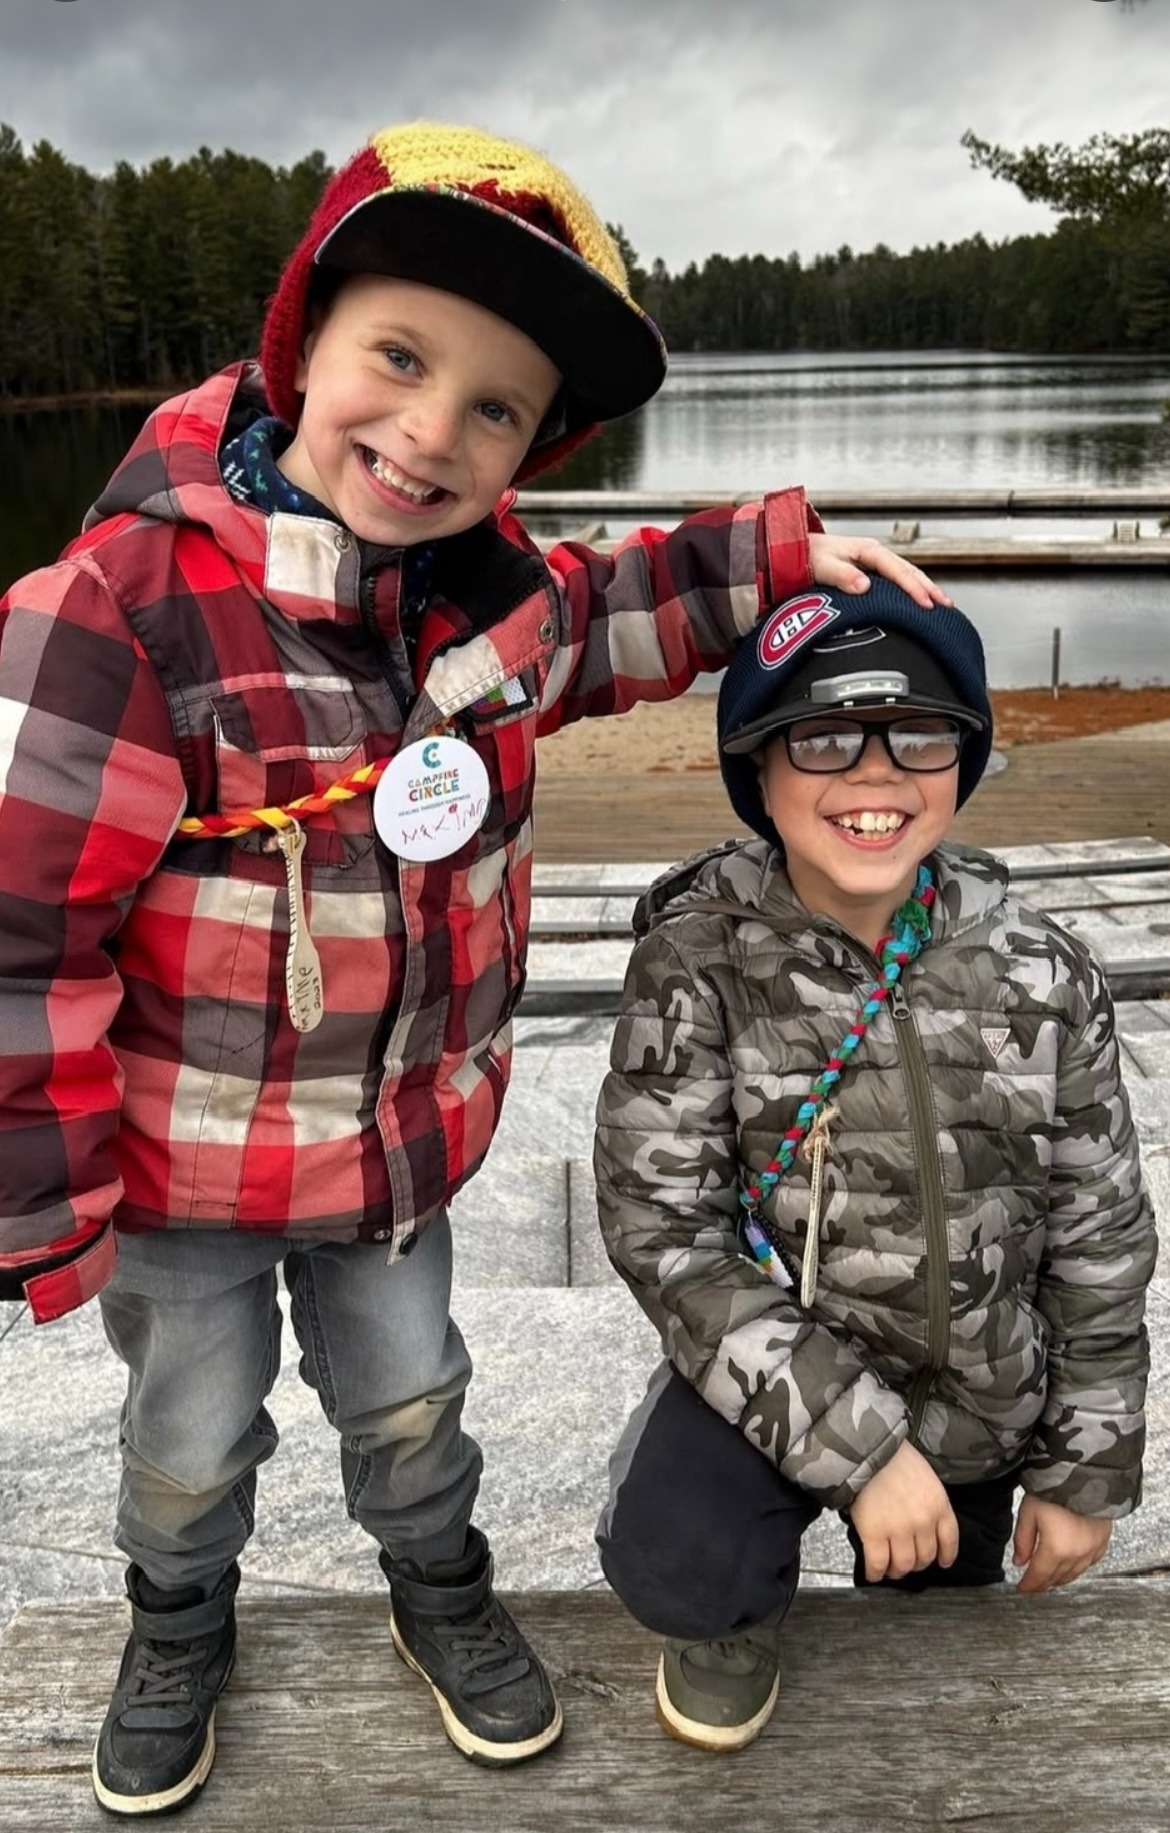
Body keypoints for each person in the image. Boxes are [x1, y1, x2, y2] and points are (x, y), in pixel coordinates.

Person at [0, 122, 946, 1815]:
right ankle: (178, 1613)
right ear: (304, 341)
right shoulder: (117, 610)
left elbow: (623, 605)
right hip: (179, 1174)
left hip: (395, 1162)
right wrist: (42, 1200)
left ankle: (436, 1578)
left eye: (497, 407)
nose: (434, 431)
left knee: (414, 1397)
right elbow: (21, 936)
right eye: (400, 357)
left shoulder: (491, 605)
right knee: (189, 1432)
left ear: (535, 441)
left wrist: (773, 561)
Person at [594, 579, 1156, 1753]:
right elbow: (666, 1236)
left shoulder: (1045, 970)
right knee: (679, 1560)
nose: (875, 776)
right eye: (823, 738)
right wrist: (865, 1453)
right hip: (784, 1360)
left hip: (981, 1386)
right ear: (758, 767)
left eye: (920, 735)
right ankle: (736, 1616)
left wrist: (1085, 1470)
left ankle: (930, 1538)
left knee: (936, 1618)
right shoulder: (695, 964)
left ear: (964, 756)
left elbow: (1099, 1235)